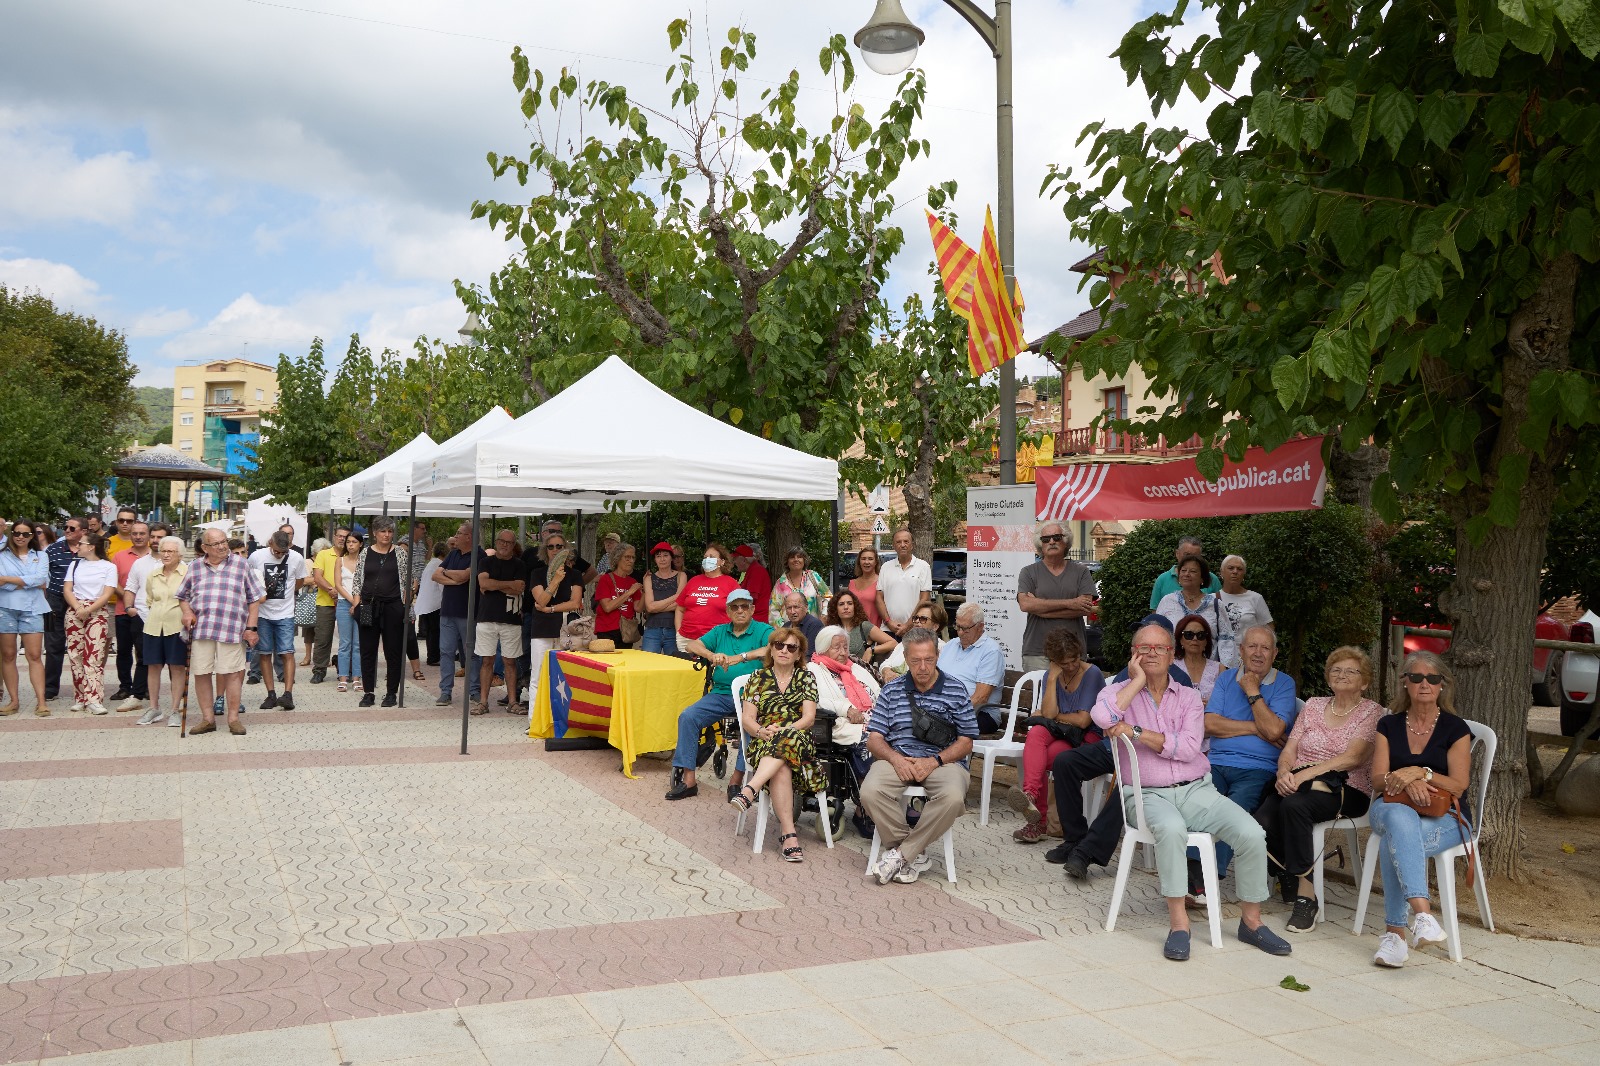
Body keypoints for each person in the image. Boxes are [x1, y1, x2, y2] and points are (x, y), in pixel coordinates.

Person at [1092, 623, 1292, 961]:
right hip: (1147, 794)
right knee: (1171, 830)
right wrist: (1138, 681)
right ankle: (1179, 924)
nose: (1152, 653)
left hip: (1197, 790)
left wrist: (1138, 732)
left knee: (1251, 834)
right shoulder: (1119, 691)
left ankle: (1251, 922)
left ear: (1173, 654)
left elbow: (1187, 748)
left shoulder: (1187, 697)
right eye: (1144, 648)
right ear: (1134, 653)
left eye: (1159, 648)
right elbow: (1102, 716)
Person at [1047, 614, 1199, 881]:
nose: (1146, 650)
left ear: (1166, 648)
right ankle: (1074, 838)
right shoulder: (1130, 671)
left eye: (1153, 643)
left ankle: (1087, 851)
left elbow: (1173, 738)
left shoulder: (1180, 681)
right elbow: (1106, 714)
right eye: (1140, 644)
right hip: (1115, 745)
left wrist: (1133, 727)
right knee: (1065, 762)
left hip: (1150, 755)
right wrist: (1137, 681)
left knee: (1129, 785)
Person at [1256, 646, 1383, 933]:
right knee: (1262, 819)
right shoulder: (1313, 705)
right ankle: (1290, 869)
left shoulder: (1370, 711)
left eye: (1351, 671)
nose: (1342, 675)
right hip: (1300, 783)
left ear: (1364, 681)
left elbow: (1354, 757)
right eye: (1337, 670)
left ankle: (1306, 896)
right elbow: (1290, 747)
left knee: (1293, 807)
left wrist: (1305, 775)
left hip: (1348, 788)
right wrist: (1284, 772)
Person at [1368, 651, 1475, 968]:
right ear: (1405, 684)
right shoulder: (1388, 724)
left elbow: (1458, 785)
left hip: (1446, 816)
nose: (1424, 683)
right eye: (1416, 677)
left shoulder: (1456, 728)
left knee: (1394, 844)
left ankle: (1395, 938)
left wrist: (1421, 773)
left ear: (1443, 685)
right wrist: (1403, 782)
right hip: (1388, 806)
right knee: (1401, 820)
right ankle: (1424, 914)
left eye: (1432, 678)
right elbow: (1377, 779)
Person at [861, 627, 978, 885]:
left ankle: (902, 855)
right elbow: (875, 738)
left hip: (943, 761)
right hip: (898, 757)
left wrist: (934, 761)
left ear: (937, 655)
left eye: (929, 659)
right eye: (915, 661)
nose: (922, 667)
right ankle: (915, 853)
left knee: (953, 797)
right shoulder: (891, 690)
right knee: (870, 791)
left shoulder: (956, 689)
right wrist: (895, 759)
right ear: (905, 658)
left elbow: (966, 741)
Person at [1189, 625, 1299, 900]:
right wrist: (1256, 727)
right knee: (1199, 799)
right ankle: (1193, 868)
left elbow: (1275, 731)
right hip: (1217, 762)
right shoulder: (1226, 681)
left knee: (1233, 809)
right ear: (1241, 650)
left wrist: (1252, 691)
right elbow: (1209, 723)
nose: (1258, 653)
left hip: (1258, 769)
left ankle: (1207, 877)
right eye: (1252, 646)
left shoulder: (1284, 683)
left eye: (1264, 648)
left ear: (1274, 654)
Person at [665, 588, 772, 801]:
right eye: (735, 607)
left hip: (752, 696)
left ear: (752, 609)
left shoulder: (763, 630)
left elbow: (772, 649)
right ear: (728, 611)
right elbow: (693, 645)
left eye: (744, 606)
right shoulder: (720, 631)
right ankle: (689, 780)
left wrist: (740, 657)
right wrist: (712, 655)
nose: (740, 610)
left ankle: (737, 779)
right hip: (721, 694)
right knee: (688, 717)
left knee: (749, 725)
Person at [731, 627, 825, 862]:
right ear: (771, 650)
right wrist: (762, 731)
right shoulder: (757, 678)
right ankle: (789, 836)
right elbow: (747, 719)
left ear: (798, 654)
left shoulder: (806, 678)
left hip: (798, 738)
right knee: (781, 765)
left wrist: (785, 730)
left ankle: (750, 789)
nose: (784, 650)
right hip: (764, 740)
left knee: (788, 741)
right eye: (779, 645)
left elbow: (808, 719)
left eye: (791, 647)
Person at [1014, 629, 1105, 844]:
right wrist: (1054, 677)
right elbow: (1048, 714)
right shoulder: (1050, 676)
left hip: (1085, 738)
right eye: (1064, 663)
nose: (1071, 666)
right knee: (1036, 732)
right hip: (1061, 733)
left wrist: (1056, 716)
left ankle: (1038, 822)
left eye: (1074, 660)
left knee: (1041, 758)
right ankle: (1030, 795)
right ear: (1054, 662)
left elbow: (1083, 720)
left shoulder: (1092, 674)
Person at [177, 528, 266, 736]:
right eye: (216, 544)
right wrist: (187, 612)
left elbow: (254, 600)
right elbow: (183, 596)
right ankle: (208, 719)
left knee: (233, 673)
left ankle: (233, 718)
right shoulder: (195, 567)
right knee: (201, 673)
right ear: (205, 548)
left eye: (223, 541)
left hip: (232, 628)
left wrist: (251, 628)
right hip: (202, 629)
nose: (222, 546)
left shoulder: (241, 565)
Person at [807, 624, 881, 836]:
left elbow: (879, 691)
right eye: (836, 647)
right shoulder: (813, 670)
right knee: (870, 740)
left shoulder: (856, 667)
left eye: (845, 647)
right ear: (822, 649)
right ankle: (864, 809)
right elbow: (813, 699)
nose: (842, 652)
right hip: (840, 724)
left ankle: (891, 801)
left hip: (873, 719)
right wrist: (846, 708)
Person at [1015, 522, 1098, 673]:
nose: (1051, 542)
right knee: (1039, 696)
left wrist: (1040, 609)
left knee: (1072, 697)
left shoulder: (1082, 572)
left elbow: (1085, 608)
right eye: (1046, 539)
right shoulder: (1028, 572)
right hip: (1037, 651)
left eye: (1056, 537)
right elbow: (1026, 605)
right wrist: (1072, 603)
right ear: (1040, 544)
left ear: (1065, 541)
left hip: (1074, 652)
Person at [351, 516, 411, 707]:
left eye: (390, 531)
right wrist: (357, 604)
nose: (387, 535)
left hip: (393, 606)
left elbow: (408, 581)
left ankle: (391, 692)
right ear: (375, 533)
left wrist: (406, 605)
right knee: (367, 650)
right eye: (383, 531)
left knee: (393, 650)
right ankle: (368, 691)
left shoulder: (400, 553)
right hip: (368, 605)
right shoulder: (365, 553)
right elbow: (357, 580)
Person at [247, 531, 309, 711]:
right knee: (264, 653)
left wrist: (288, 594)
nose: (280, 555)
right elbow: (251, 581)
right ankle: (271, 694)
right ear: (269, 543)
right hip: (263, 613)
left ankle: (288, 694)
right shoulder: (257, 556)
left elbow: (300, 581)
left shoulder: (296, 558)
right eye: (276, 552)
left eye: (284, 552)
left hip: (286, 613)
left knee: (287, 652)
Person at [62, 531, 119, 716]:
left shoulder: (108, 567)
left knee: (93, 655)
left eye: (81, 543)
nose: (77, 546)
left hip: (97, 611)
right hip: (75, 609)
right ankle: (80, 697)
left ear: (91, 547)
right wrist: (78, 607)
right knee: (75, 655)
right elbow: (67, 589)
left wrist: (89, 609)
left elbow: (108, 593)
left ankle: (94, 698)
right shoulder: (74, 564)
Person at [525, 529, 584, 703]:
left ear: (565, 549)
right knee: (538, 676)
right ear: (546, 550)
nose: (555, 549)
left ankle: (560, 720)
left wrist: (551, 609)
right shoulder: (537, 573)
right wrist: (555, 580)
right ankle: (535, 721)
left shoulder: (575, 575)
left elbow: (575, 603)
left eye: (559, 546)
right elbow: (541, 601)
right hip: (542, 630)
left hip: (566, 630)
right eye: (551, 547)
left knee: (563, 677)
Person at [472, 529, 526, 716]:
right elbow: (484, 585)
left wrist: (496, 585)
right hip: (486, 618)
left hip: (511, 621)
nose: (504, 545)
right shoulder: (485, 562)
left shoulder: (519, 565)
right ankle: (483, 702)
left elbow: (518, 588)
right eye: (502, 541)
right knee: (486, 661)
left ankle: (512, 702)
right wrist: (507, 584)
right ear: (496, 542)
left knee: (510, 662)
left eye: (509, 542)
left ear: (513, 546)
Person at [137, 536, 189, 727]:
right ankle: (153, 707)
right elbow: (149, 599)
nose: (166, 555)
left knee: (177, 667)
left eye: (170, 551)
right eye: (163, 551)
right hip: (153, 625)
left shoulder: (188, 573)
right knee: (153, 666)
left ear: (179, 554)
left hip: (177, 626)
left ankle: (176, 709)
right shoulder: (154, 574)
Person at [0, 519, 50, 717]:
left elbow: (41, 579)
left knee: (35, 655)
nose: (21, 537)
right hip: (5, 608)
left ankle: (41, 701)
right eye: (17, 533)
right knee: (8, 655)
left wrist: (7, 579)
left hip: (33, 608)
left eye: (26, 534)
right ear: (12, 534)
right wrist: (26, 582)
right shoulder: (2, 554)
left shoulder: (40, 555)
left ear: (32, 536)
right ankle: (13, 701)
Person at [938, 602, 1007, 734]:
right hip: (943, 709)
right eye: (957, 627)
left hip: (979, 713)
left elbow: (980, 698)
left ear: (980, 627)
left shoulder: (991, 651)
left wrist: (949, 712)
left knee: (937, 725)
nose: (960, 633)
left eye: (965, 629)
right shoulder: (951, 645)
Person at [433, 522, 481, 708]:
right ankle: (445, 692)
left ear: (469, 536)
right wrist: (453, 578)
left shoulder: (479, 555)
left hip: (468, 613)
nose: (456, 536)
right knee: (445, 652)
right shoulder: (453, 554)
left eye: (459, 533)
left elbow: (465, 577)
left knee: (472, 654)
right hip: (447, 612)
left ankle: (474, 690)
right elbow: (435, 575)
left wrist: (449, 575)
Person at [109, 520, 153, 711]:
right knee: (124, 651)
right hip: (123, 609)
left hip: (148, 612)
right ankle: (125, 687)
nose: (138, 536)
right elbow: (113, 581)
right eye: (135, 533)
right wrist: (128, 600)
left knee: (144, 653)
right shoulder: (119, 556)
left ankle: (143, 688)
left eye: (142, 533)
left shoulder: (156, 557)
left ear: (148, 536)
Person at [42, 517, 85, 702]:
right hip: (54, 601)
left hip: (80, 602)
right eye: (64, 527)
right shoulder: (52, 549)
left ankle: (84, 688)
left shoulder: (88, 550)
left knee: (82, 646)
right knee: (52, 645)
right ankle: (50, 688)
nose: (66, 530)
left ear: (83, 531)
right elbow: (43, 574)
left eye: (71, 528)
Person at [675, 543, 741, 653]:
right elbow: (680, 608)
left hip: (716, 640)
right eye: (705, 557)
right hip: (686, 639)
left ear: (722, 561)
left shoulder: (731, 584)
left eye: (711, 557)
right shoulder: (694, 581)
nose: (707, 560)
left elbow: (741, 611)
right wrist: (678, 631)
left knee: (715, 669)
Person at [1215, 555, 1273, 671]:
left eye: (1239, 569)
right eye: (1230, 568)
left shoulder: (1255, 598)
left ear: (1244, 574)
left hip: (1249, 661)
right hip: (1219, 662)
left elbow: (1269, 631)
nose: (1235, 572)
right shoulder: (1212, 599)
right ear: (1221, 572)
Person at [875, 529, 932, 639]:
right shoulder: (886, 567)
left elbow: (924, 599)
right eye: (898, 542)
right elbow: (879, 597)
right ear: (894, 545)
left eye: (906, 541)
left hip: (915, 628)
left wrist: (908, 624)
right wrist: (888, 622)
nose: (902, 545)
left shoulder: (923, 567)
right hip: (888, 629)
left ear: (912, 545)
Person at [309, 527, 347, 684]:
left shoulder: (350, 556)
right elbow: (317, 577)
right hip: (325, 602)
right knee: (323, 638)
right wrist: (332, 591)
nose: (342, 539)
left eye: (345, 537)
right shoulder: (324, 554)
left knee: (347, 639)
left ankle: (346, 668)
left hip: (347, 602)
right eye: (339, 536)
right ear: (334, 536)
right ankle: (319, 670)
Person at [823, 589, 896, 669]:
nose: (846, 607)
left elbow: (893, 643)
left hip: (860, 674)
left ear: (855, 607)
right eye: (841, 604)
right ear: (835, 609)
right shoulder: (831, 630)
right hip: (835, 672)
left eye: (850, 604)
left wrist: (871, 650)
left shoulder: (864, 626)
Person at [1155, 556, 1222, 639]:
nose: (1186, 574)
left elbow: (1226, 639)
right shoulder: (1167, 601)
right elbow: (1157, 633)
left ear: (1202, 578)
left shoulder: (1216, 604)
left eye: (1193, 571)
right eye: (1183, 570)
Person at [878, 602, 946, 681]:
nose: (917, 621)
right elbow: (886, 663)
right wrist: (887, 672)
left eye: (923, 619)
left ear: (935, 626)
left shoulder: (942, 648)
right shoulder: (905, 643)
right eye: (916, 618)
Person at [1149, 535, 1221, 610]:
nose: (1191, 559)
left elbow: (1220, 609)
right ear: (1177, 553)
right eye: (1187, 555)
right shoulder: (1162, 579)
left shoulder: (1212, 579)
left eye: (1196, 556)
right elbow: (1155, 613)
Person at [640, 541, 685, 656]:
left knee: (675, 666)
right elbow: (649, 607)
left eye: (665, 555)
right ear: (655, 559)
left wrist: (656, 606)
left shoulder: (681, 576)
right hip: (652, 628)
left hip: (674, 628)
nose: (662, 559)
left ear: (671, 558)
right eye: (658, 556)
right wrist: (675, 597)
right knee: (648, 666)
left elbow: (681, 604)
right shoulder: (649, 578)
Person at [593, 542, 642, 647]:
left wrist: (646, 591)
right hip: (606, 629)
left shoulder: (632, 582)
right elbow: (607, 607)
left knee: (625, 662)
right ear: (618, 558)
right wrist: (629, 592)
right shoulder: (605, 579)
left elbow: (638, 608)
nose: (631, 561)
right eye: (627, 557)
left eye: (633, 557)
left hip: (626, 631)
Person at [335, 529, 364, 693]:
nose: (350, 545)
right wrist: (353, 601)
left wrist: (358, 602)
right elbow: (338, 584)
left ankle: (357, 678)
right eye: (348, 542)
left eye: (354, 542)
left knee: (358, 644)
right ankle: (343, 678)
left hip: (361, 603)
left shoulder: (364, 560)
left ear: (360, 544)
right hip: (344, 602)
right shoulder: (340, 560)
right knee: (344, 643)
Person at [767, 547, 827, 625]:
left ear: (804, 560)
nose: (796, 560)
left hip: (812, 628)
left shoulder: (813, 577)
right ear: (787, 561)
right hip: (790, 632)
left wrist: (824, 616)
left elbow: (828, 597)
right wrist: (783, 630)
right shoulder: (781, 584)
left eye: (799, 557)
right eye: (792, 557)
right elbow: (773, 609)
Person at [1175, 614, 1223, 705]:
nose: (1195, 639)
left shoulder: (1219, 669)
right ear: (1180, 640)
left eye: (1200, 635)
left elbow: (1225, 701)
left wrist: (1211, 705)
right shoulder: (1171, 667)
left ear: (1206, 641)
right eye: (1189, 635)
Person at [413, 541, 447, 667]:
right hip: (434, 604)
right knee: (435, 631)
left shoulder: (431, 564)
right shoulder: (439, 565)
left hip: (426, 603)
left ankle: (432, 656)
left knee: (430, 632)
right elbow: (442, 585)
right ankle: (433, 657)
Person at [732, 544, 772, 618]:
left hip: (757, 619)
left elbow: (750, 598)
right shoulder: (752, 570)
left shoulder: (756, 571)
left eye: (735, 559)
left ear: (744, 560)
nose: (734, 562)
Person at [849, 546, 884, 626]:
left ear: (876, 562)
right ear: (859, 562)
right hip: (854, 630)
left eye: (870, 559)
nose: (866, 562)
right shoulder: (852, 583)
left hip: (875, 631)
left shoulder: (881, 582)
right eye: (863, 559)